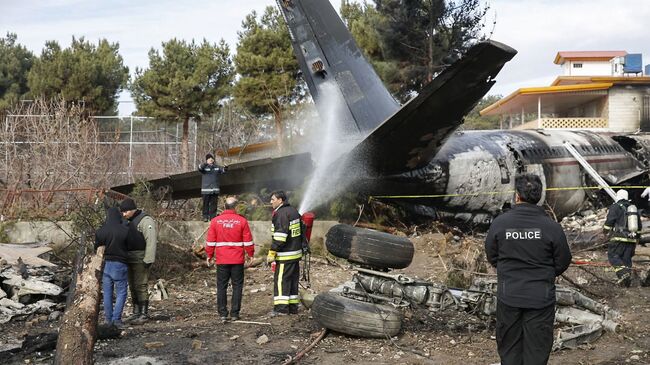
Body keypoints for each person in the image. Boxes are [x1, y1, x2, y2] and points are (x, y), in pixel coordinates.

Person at [485, 173, 572, 365]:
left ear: (517, 196)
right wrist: (546, 273)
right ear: (539, 197)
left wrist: (508, 271)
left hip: (509, 295)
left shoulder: (500, 223)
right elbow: (563, 260)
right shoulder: (551, 227)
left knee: (509, 350)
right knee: (537, 351)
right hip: (540, 297)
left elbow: (492, 256)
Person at [205, 196, 255, 321]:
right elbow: (248, 241)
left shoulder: (216, 221)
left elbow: (210, 241)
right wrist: (251, 255)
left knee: (221, 286)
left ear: (224, 206)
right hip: (237, 260)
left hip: (222, 260)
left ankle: (222, 313)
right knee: (237, 286)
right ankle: (234, 314)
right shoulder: (242, 221)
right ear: (236, 207)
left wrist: (209, 255)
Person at [120, 197, 158, 324]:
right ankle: (136, 312)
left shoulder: (146, 220)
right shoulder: (128, 221)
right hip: (129, 257)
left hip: (141, 257)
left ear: (132, 210)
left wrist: (149, 259)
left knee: (141, 285)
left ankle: (144, 313)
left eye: (125, 212)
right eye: (122, 212)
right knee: (132, 285)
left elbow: (151, 241)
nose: (124, 214)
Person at [267, 190, 303, 316]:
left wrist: (272, 252)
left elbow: (280, 237)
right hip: (295, 254)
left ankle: (281, 309)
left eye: (273, 199)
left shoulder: (281, 214)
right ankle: (293, 307)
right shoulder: (294, 211)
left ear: (280, 200)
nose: (271, 202)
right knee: (293, 281)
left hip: (285, 255)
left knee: (281, 281)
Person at [95, 207, 130, 327]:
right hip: (120, 264)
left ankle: (108, 320)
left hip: (106, 265)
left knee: (107, 294)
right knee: (121, 292)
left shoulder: (101, 231)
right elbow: (132, 247)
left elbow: (97, 249)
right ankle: (116, 320)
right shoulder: (125, 230)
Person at [603, 189, 640, 287]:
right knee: (626, 259)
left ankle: (623, 273)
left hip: (618, 239)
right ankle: (626, 282)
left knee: (613, 256)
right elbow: (639, 226)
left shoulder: (615, 207)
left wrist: (605, 231)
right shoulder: (633, 208)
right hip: (631, 239)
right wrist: (637, 238)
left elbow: (609, 222)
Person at [198, 153, 227, 222]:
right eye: (209, 159)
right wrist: (206, 163)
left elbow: (223, 171)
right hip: (206, 190)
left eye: (211, 158)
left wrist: (226, 168)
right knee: (205, 204)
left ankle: (213, 217)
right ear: (207, 160)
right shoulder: (204, 167)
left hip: (215, 190)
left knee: (214, 204)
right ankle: (205, 217)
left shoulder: (216, 167)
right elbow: (200, 168)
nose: (211, 160)